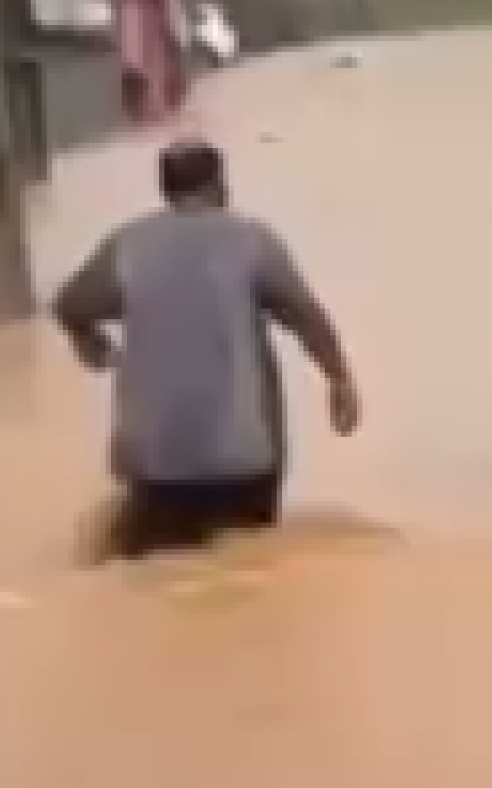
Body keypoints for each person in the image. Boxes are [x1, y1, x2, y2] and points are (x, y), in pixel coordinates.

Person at [52, 137, 360, 561]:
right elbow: (306, 316)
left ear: (165, 190)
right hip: (242, 463)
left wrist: (89, 343)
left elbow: (70, 304)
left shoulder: (129, 244)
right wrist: (339, 380)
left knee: (158, 587)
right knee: (246, 581)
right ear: (220, 185)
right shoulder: (251, 240)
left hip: (153, 465)